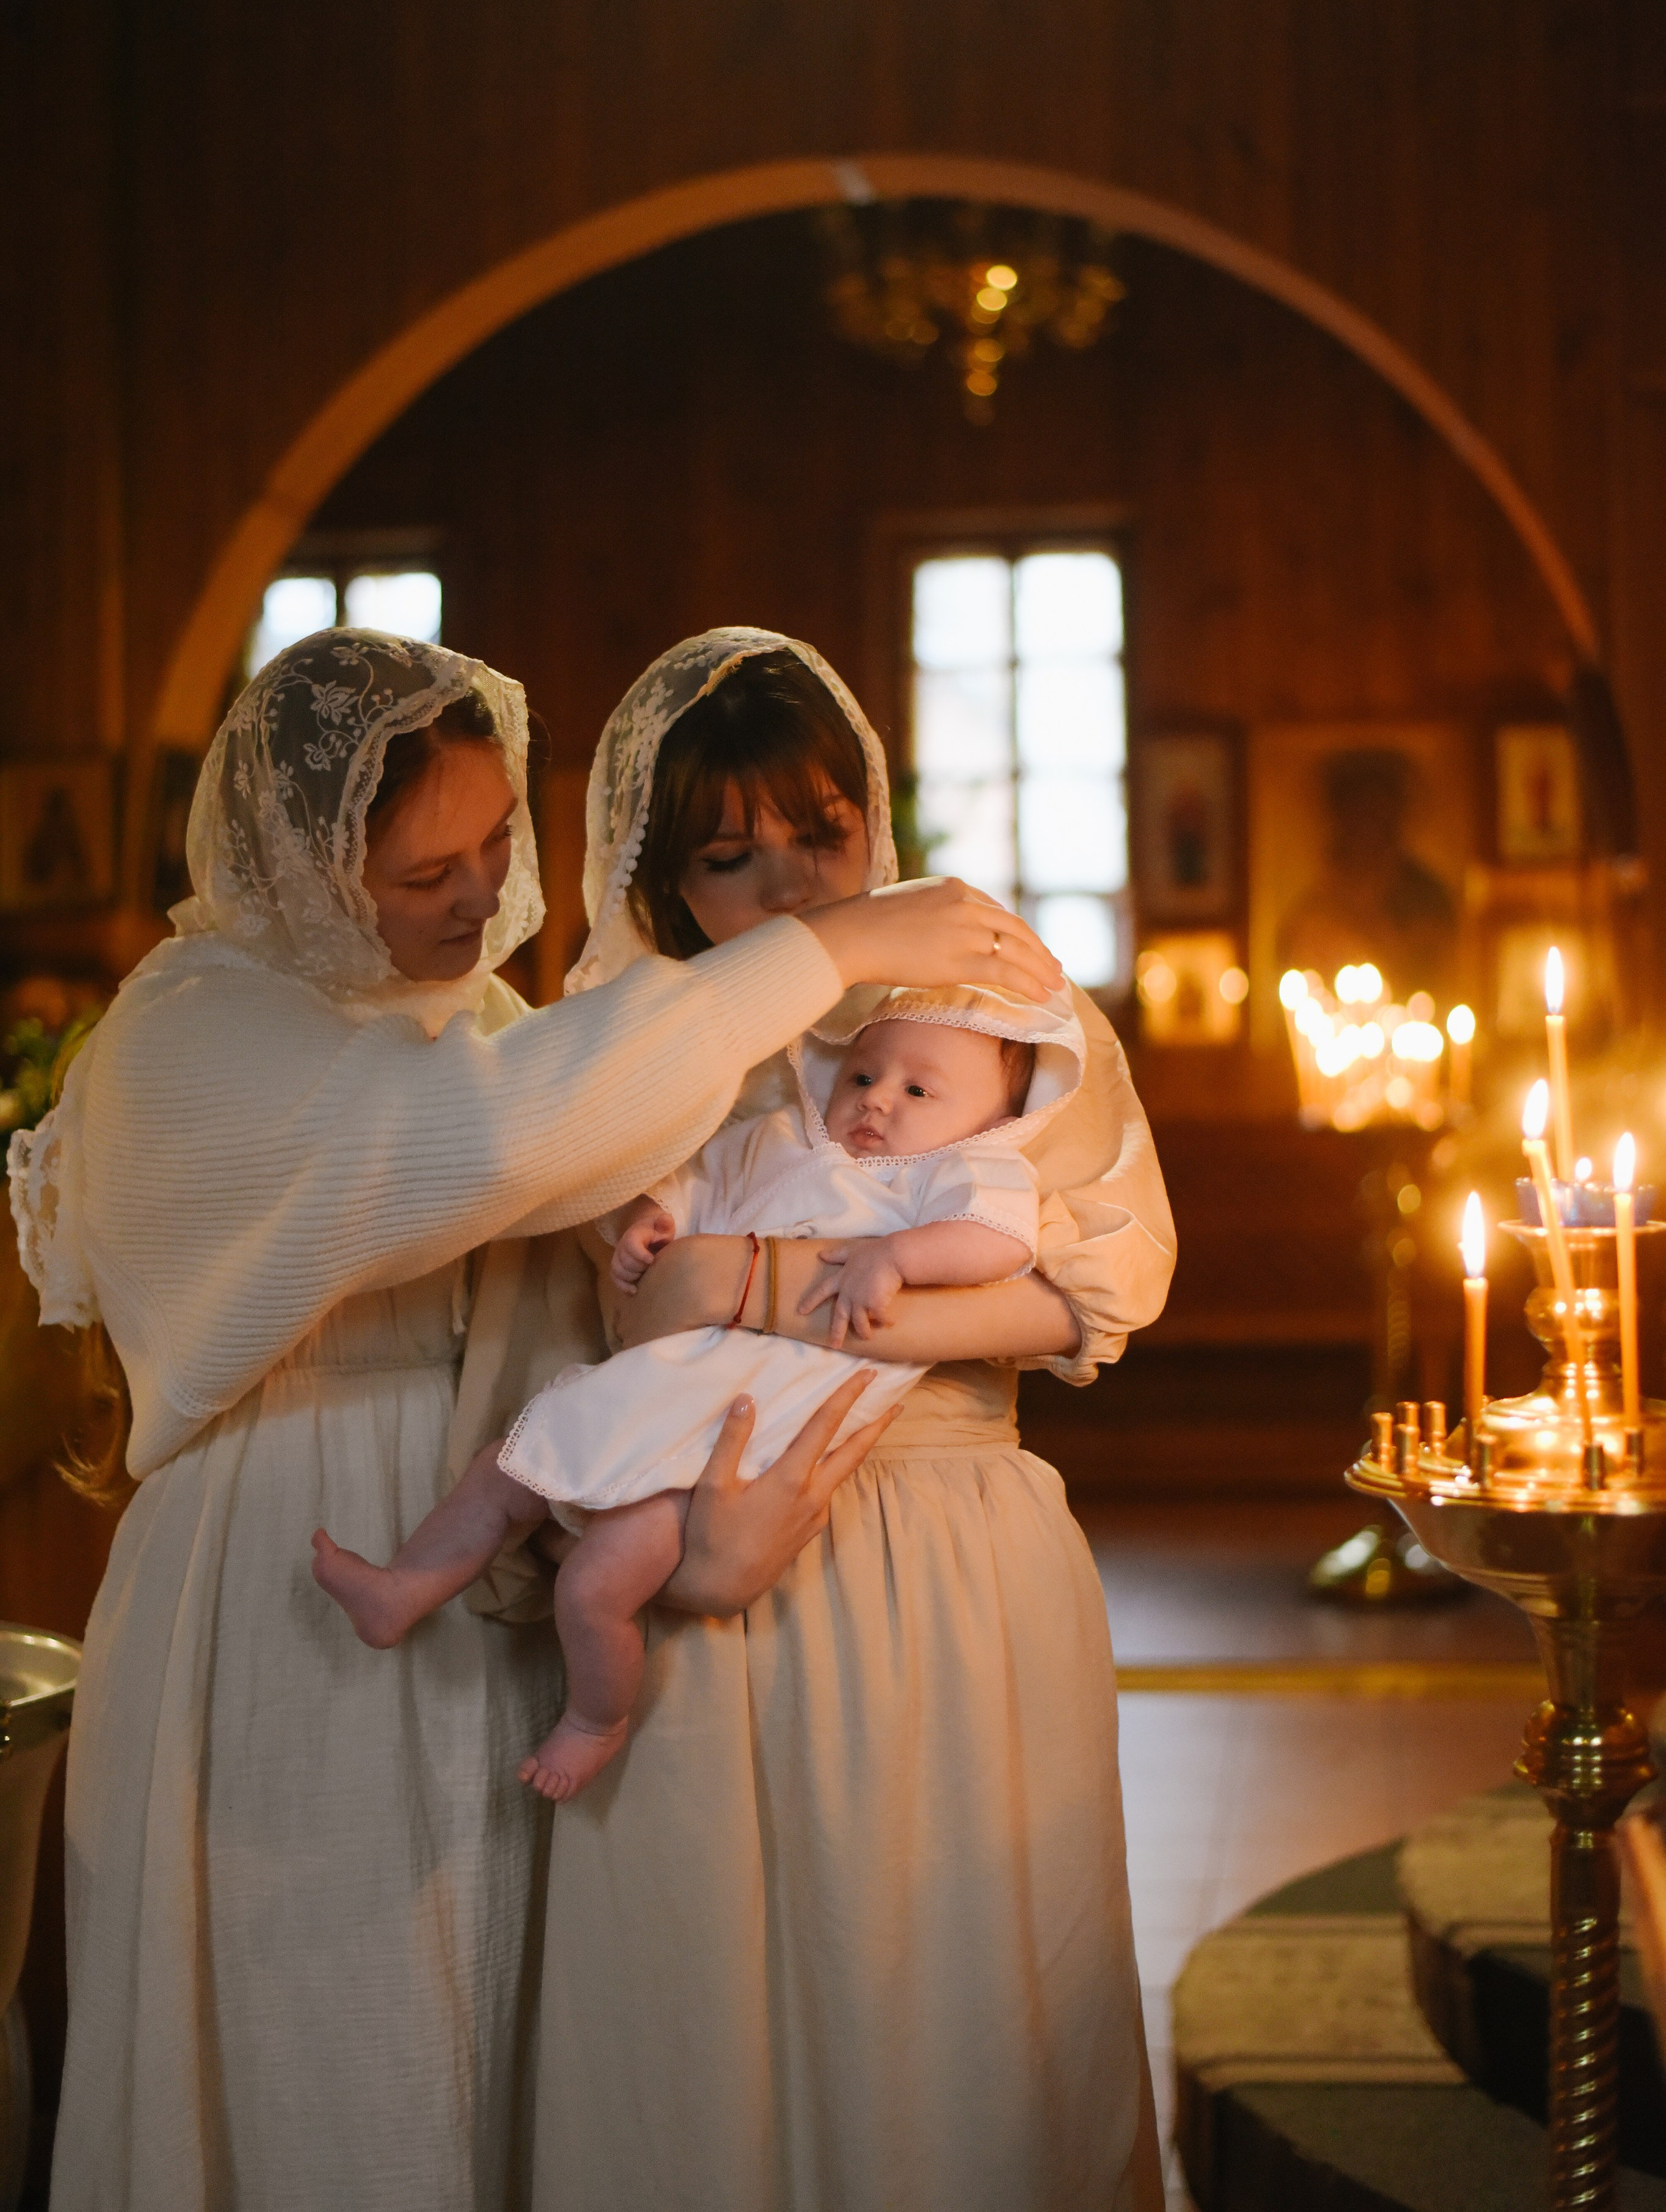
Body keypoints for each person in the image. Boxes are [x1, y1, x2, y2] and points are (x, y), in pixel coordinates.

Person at [7, 626, 1058, 2212]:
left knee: (483, 2054)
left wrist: (683, 1522)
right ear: (297, 860)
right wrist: (829, 944)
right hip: (285, 1563)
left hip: (472, 1555)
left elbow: (613, 1285)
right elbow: (481, 1149)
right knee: (317, 2043)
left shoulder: (479, 1018)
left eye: (496, 842)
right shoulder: (193, 1030)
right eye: (423, 863)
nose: (471, 894)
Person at [450, 628, 1177, 2212]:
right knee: (710, 2003)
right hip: (716, 1543)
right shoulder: (651, 1045)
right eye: (729, 856)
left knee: (958, 2002)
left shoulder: (999, 998)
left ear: (873, 815)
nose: (789, 886)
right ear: (660, 884)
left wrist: (756, 1271)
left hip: (955, 1536)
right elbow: (638, 1311)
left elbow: (1091, 1294)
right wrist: (731, 1278)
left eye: (821, 833)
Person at [314, 986, 1075, 1803]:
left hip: (742, 1438)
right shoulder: (782, 1140)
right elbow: (697, 1177)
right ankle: (406, 1587)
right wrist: (656, 1218)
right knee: (504, 1466)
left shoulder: (960, 1172)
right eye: (861, 1074)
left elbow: (997, 1242)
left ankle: (595, 1718)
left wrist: (897, 1257)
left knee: (595, 1584)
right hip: (663, 1382)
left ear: (997, 1119)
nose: (877, 1100)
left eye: (918, 1090)